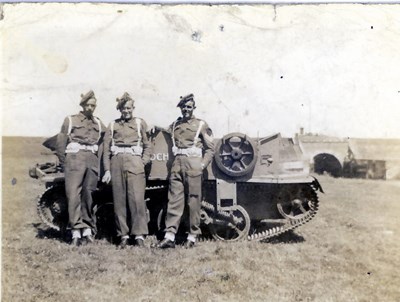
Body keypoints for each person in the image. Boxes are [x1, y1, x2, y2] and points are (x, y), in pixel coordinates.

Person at [154, 93, 214, 249]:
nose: (186, 110)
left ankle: (192, 236)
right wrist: (154, 127)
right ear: (180, 108)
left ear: (193, 108)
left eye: (189, 107)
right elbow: (166, 130)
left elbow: (210, 149)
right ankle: (169, 237)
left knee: (193, 202)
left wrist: (202, 165)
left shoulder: (201, 125)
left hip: (193, 164)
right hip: (177, 164)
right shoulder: (175, 125)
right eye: (184, 107)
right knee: (174, 201)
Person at [102, 92, 152, 249]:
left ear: (133, 108)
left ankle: (139, 235)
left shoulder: (139, 123)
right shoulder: (112, 125)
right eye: (123, 108)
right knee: (119, 200)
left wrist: (142, 162)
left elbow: (148, 145)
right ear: (120, 109)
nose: (126, 111)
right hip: (117, 162)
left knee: (137, 200)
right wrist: (107, 170)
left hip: (135, 162)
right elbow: (106, 150)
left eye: (129, 108)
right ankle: (123, 235)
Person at [56, 90, 105, 246]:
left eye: (93, 105)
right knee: (73, 195)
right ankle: (76, 231)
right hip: (75, 159)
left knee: (88, 195)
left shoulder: (97, 122)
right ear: (82, 105)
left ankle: (88, 230)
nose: (90, 108)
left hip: (91, 159)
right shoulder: (70, 120)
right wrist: (66, 163)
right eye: (88, 105)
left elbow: (107, 137)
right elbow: (61, 143)